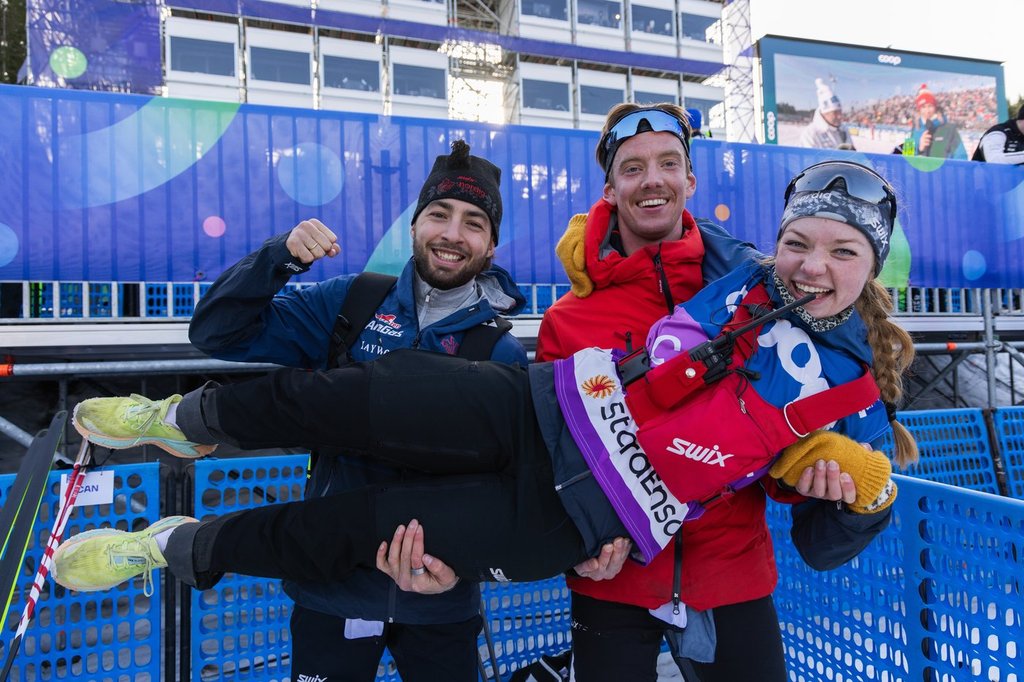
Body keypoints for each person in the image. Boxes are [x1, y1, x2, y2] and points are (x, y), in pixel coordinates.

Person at [53, 162, 917, 664]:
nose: (810, 266)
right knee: (369, 391)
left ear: (871, 265)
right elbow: (662, 215)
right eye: (799, 242)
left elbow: (824, 539)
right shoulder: (745, 281)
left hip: (580, 514)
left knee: (359, 528)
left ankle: (168, 545)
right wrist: (611, 226)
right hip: (551, 406)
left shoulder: (857, 401)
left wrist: (857, 498)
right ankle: (181, 421)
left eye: (842, 252)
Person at [537, 106, 900, 681]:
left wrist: (830, 487)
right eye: (632, 168)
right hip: (613, 579)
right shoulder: (568, 317)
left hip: (732, 576)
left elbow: (789, 457)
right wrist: (571, 546)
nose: (652, 179)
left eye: (669, 163)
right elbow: (550, 455)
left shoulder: (759, 290)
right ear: (611, 187)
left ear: (690, 181)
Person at [186, 139, 528, 682]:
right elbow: (214, 331)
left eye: (473, 223)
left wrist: (461, 571)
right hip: (333, 586)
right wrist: (280, 257)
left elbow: (507, 490)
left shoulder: (501, 351)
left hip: (440, 602)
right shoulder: (352, 304)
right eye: (439, 215)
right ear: (415, 227)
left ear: (490, 247)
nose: (452, 235)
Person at [908, 84, 966, 159]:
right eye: (923, 107)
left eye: (930, 106)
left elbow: (961, 156)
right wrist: (919, 149)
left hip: (944, 170)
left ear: (935, 107)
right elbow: (906, 158)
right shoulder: (914, 129)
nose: (927, 111)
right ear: (919, 110)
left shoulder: (949, 129)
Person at [799, 78, 855, 150]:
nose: (839, 116)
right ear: (824, 113)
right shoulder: (810, 133)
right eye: (835, 113)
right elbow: (809, 159)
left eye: (840, 112)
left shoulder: (843, 130)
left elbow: (852, 156)